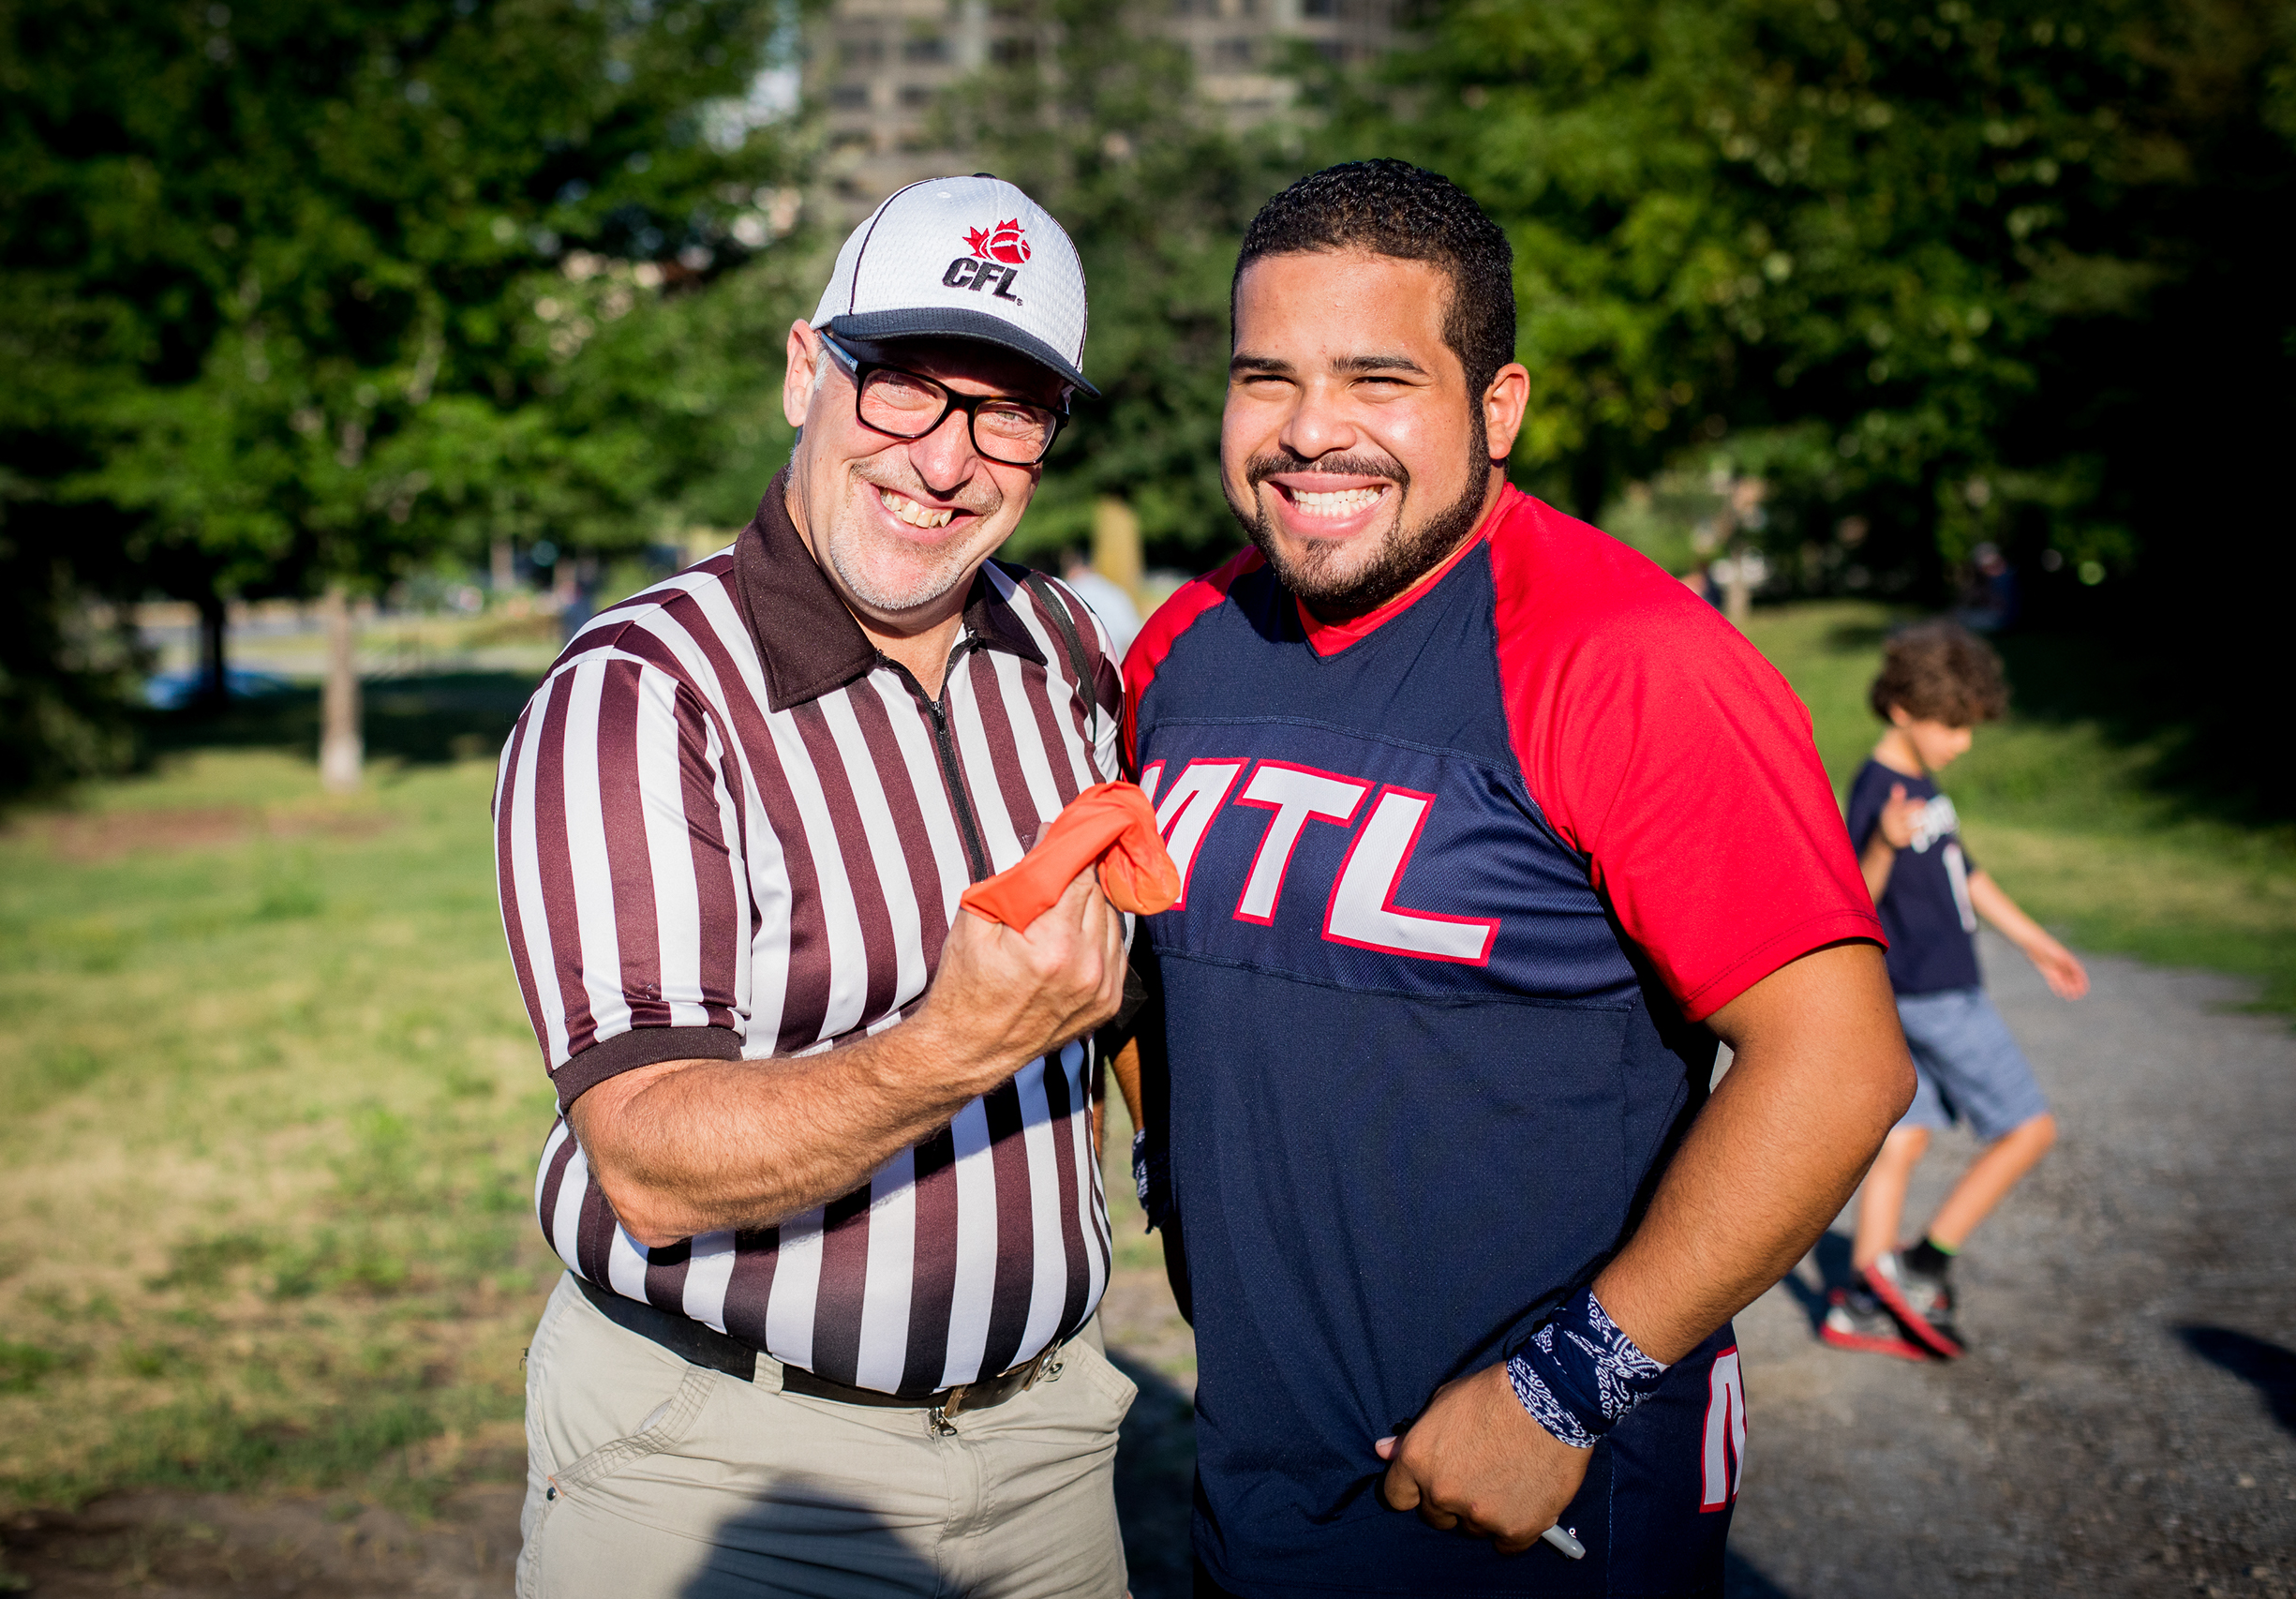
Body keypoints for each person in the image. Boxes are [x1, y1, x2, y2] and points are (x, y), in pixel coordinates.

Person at [1111, 158, 1919, 1598]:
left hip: (1545, 1491)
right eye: (1265, 377)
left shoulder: (1630, 656)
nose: (1310, 433)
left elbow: (1840, 1062)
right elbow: (1152, 981)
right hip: (1259, 1471)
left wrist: (1563, 1388)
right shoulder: (1184, 642)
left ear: (1497, 407)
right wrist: (1185, 1190)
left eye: (1377, 378)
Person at [492, 174, 1141, 1599]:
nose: (946, 460)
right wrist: (953, 1046)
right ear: (807, 370)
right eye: (905, 387)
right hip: (727, 1465)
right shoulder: (641, 693)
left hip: (1049, 1446)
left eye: (1008, 411)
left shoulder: (1060, 649)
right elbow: (648, 1161)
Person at [1822, 620, 2088, 1362]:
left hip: (1928, 992)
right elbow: (1857, 897)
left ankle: (1863, 1306)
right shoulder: (1879, 789)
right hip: (1935, 995)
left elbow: (1967, 875)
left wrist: (2037, 942)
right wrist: (1882, 843)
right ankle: (1920, 1265)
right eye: (1953, 725)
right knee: (2028, 1129)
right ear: (1904, 710)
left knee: (1904, 1139)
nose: (1963, 741)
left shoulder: (1921, 783)